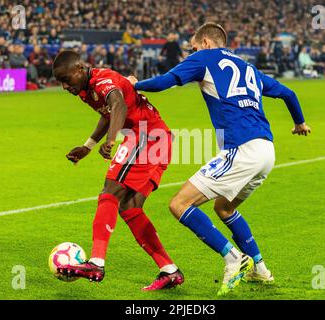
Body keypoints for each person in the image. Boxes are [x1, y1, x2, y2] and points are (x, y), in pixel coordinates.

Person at [129, 22, 311, 296]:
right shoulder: (248, 67)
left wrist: (136, 85)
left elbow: (165, 81)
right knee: (224, 209)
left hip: (241, 149)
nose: (191, 53)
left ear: (205, 43)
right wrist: (300, 123)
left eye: (192, 48)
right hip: (266, 151)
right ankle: (260, 269)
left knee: (179, 204)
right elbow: (288, 93)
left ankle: (232, 257)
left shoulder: (205, 58)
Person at [51, 50, 184, 291]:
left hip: (146, 136)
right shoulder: (85, 90)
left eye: (66, 80)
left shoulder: (103, 79)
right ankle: (169, 270)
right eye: (60, 82)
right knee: (130, 208)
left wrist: (111, 141)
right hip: (158, 140)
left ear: (79, 70)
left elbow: (118, 105)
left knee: (109, 191)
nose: (63, 87)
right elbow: (108, 114)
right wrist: (88, 146)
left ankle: (96, 263)